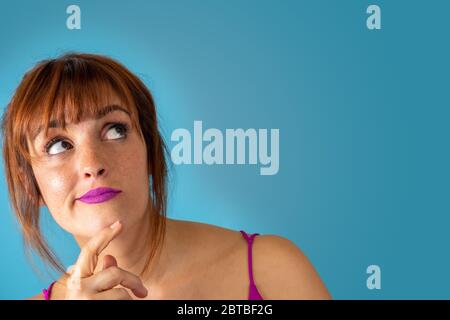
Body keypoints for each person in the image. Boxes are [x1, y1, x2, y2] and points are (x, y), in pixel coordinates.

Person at [1, 53, 331, 300]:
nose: (92, 164)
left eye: (115, 130)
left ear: (149, 150)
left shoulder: (269, 268)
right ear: (32, 185)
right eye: (59, 144)